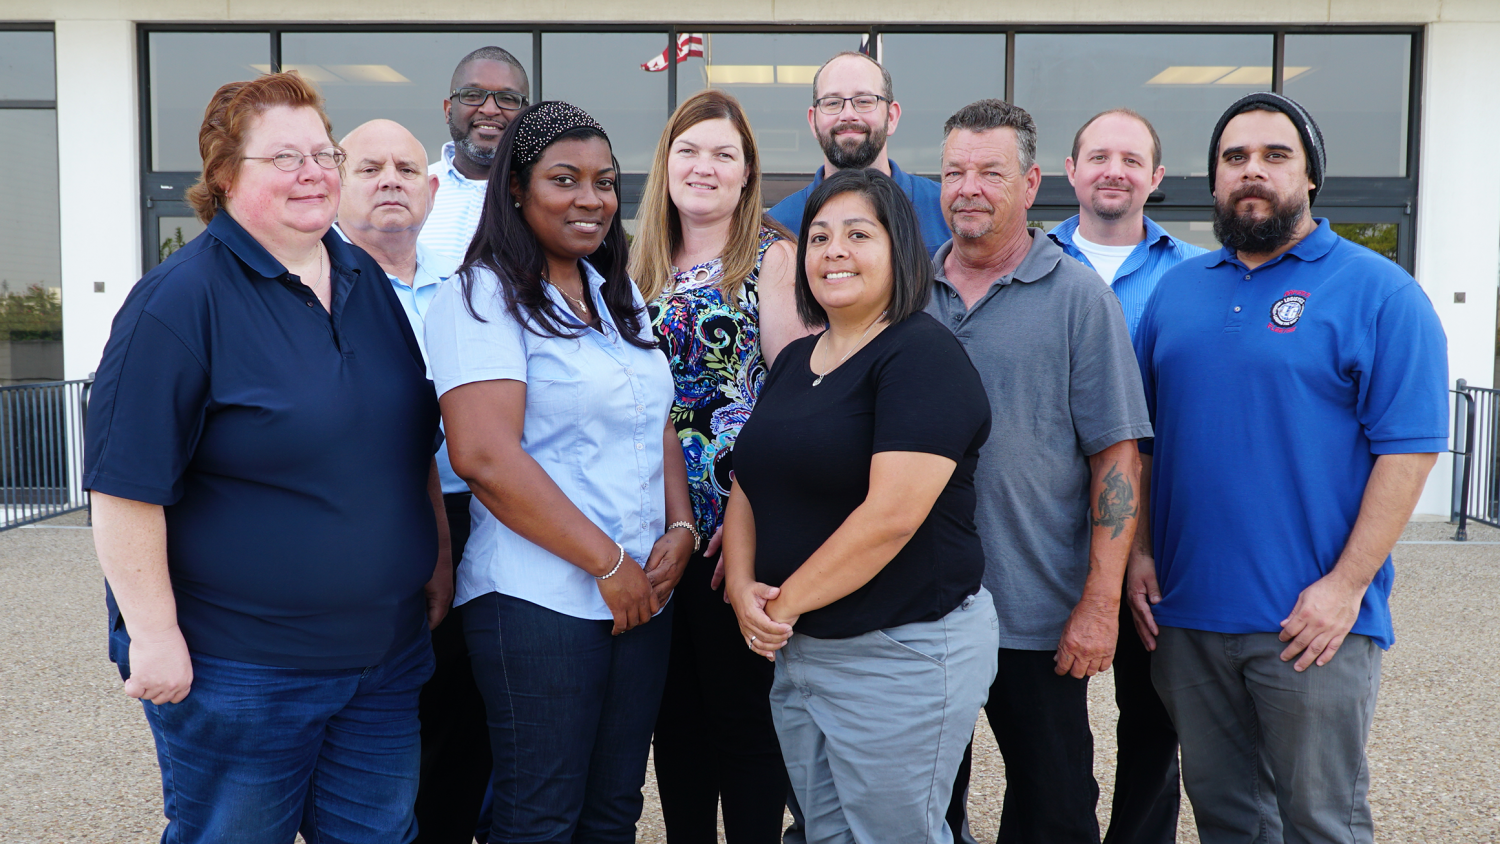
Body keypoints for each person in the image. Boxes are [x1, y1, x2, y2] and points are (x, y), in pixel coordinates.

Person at [84, 71, 450, 843]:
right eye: (284, 158)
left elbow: (404, 440)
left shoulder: (362, 279)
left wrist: (434, 560)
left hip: (381, 663)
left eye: (323, 152)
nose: (313, 171)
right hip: (242, 671)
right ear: (223, 177)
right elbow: (124, 489)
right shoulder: (179, 303)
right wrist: (152, 637)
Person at [1130, 92, 1447, 844]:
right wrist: (1139, 550)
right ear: (1212, 181)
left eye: (1276, 156)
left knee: (1321, 824)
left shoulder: (1380, 294)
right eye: (1234, 158)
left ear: (1310, 179)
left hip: (1312, 626)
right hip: (1189, 617)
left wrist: (1344, 588)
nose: (1253, 172)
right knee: (1227, 820)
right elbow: (1143, 441)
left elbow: (1410, 451)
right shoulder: (1178, 291)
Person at [424, 101, 695, 843]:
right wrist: (607, 563)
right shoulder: (480, 296)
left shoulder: (614, 293)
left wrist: (680, 523)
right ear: (515, 188)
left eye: (605, 182)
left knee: (613, 811)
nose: (591, 199)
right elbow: (484, 456)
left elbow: (655, 415)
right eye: (564, 179)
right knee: (539, 816)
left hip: (641, 596)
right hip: (538, 603)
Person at [726, 167, 998, 844]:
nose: (834, 250)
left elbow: (891, 518)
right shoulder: (795, 361)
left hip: (900, 651)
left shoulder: (921, 356)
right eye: (819, 236)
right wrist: (737, 586)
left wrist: (781, 606)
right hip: (804, 654)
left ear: (897, 248)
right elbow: (749, 478)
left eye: (857, 233)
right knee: (828, 835)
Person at [928, 100, 1152, 844]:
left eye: (990, 172)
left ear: (1028, 185)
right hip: (923, 612)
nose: (969, 187)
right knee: (927, 810)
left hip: (1039, 615)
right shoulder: (905, 296)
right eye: (955, 171)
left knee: (1055, 812)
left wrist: (1099, 603)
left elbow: (1116, 456)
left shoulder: (1079, 298)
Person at [631, 89, 807, 843]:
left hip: (734, 536)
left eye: (723, 154)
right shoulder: (628, 265)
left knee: (744, 729)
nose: (704, 167)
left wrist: (743, 512)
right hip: (645, 535)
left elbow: (801, 402)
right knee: (674, 731)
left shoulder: (771, 259)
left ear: (746, 174)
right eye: (689, 150)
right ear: (665, 165)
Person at [1045, 108, 1207, 844]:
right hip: (1037, 531)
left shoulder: (1197, 277)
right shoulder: (1025, 260)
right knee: (1043, 720)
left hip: (1156, 541)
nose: (1114, 170)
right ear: (1070, 171)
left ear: (1156, 177)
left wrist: (1141, 545)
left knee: (1152, 720)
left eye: (1131, 159)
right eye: (1098, 156)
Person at [334, 117, 492, 844]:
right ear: (337, 182)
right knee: (371, 728)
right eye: (370, 168)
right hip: (365, 533)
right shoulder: (315, 290)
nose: (390, 180)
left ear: (432, 191)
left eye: (405, 168)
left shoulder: (466, 292)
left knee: (463, 718)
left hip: (471, 520)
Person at [767, 51, 949, 258]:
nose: (848, 115)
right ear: (813, 121)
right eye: (832, 102)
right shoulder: (777, 228)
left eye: (863, 101)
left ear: (891, 116)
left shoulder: (945, 210)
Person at [419, 45, 531, 274]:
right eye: (473, 95)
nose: (490, 109)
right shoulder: (412, 189)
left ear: (524, 114)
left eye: (508, 98)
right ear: (448, 110)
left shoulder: (543, 195)